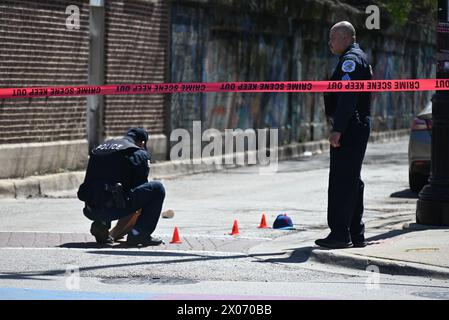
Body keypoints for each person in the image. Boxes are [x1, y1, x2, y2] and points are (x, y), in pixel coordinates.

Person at [315, 21, 373, 249]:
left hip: (350, 127)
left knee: (342, 180)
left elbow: (348, 97)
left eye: (333, 38)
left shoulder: (351, 60)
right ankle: (356, 233)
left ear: (347, 38)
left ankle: (340, 233)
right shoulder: (358, 57)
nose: (330, 43)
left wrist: (338, 129)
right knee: (352, 179)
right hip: (356, 125)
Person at [77, 127, 165, 246]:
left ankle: (101, 226)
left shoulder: (100, 148)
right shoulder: (138, 153)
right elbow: (140, 188)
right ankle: (139, 234)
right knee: (157, 189)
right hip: (116, 208)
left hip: (91, 209)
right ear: (142, 143)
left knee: (105, 184)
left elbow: (90, 181)